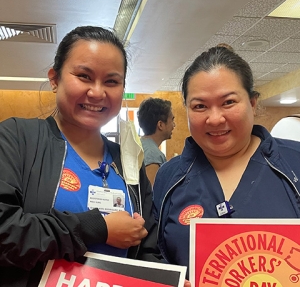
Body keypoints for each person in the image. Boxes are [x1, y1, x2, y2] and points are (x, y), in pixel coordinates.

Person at [0, 25, 161, 286]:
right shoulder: (17, 139)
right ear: (55, 79)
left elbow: (147, 251)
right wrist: (98, 228)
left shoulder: (129, 164)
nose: (97, 92)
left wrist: (164, 279)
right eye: (84, 76)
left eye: (111, 81)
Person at [152, 46, 300, 276]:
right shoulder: (169, 176)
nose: (215, 118)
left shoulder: (294, 163)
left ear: (252, 103)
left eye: (228, 102)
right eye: (200, 106)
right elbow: (156, 258)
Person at [137, 97, 175, 185]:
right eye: (172, 120)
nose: (174, 125)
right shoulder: (152, 155)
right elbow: (152, 194)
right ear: (160, 125)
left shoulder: (141, 145)